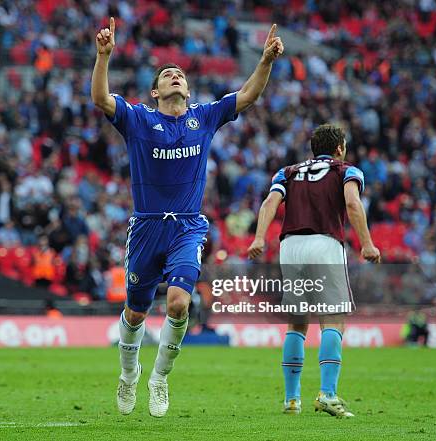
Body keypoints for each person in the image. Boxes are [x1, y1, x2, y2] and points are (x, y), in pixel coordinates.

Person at [92, 17, 283, 417]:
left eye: (179, 74)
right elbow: (101, 99)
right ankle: (129, 376)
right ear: (155, 91)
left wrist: (265, 60)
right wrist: (103, 56)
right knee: (136, 311)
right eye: (167, 75)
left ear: (187, 88)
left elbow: (247, 95)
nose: (175, 77)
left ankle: (159, 379)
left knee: (179, 304)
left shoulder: (205, 117)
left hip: (188, 225)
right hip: (146, 226)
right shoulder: (139, 119)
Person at [247, 124, 381, 417]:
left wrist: (259, 237)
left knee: (297, 322)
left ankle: (292, 400)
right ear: (339, 148)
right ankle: (328, 394)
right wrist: (367, 244)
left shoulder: (289, 171)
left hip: (290, 246)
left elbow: (270, 202)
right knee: (332, 319)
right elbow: (352, 203)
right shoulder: (346, 170)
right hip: (324, 242)